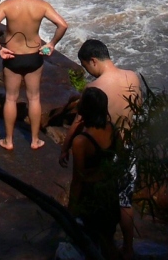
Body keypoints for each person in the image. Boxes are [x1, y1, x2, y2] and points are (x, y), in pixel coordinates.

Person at [60, 39, 143, 259]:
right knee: (125, 200)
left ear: (93, 61)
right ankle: (128, 248)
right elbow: (139, 108)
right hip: (127, 147)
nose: (88, 72)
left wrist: (66, 147)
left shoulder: (94, 89)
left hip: (104, 150)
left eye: (86, 67)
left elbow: (79, 122)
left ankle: (101, 244)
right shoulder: (133, 77)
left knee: (100, 201)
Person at [0, 0, 68, 150]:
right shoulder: (41, 5)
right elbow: (62, 25)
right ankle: (35, 140)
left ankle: (8, 141)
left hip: (12, 56)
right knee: (34, 98)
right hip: (34, 56)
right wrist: (52, 44)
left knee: (11, 99)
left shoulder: (6, 6)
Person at [67, 87, 121, 260]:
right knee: (107, 239)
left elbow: (78, 180)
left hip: (91, 195)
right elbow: (121, 159)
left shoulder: (81, 142)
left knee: (91, 241)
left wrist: (71, 211)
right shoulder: (112, 129)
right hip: (110, 190)